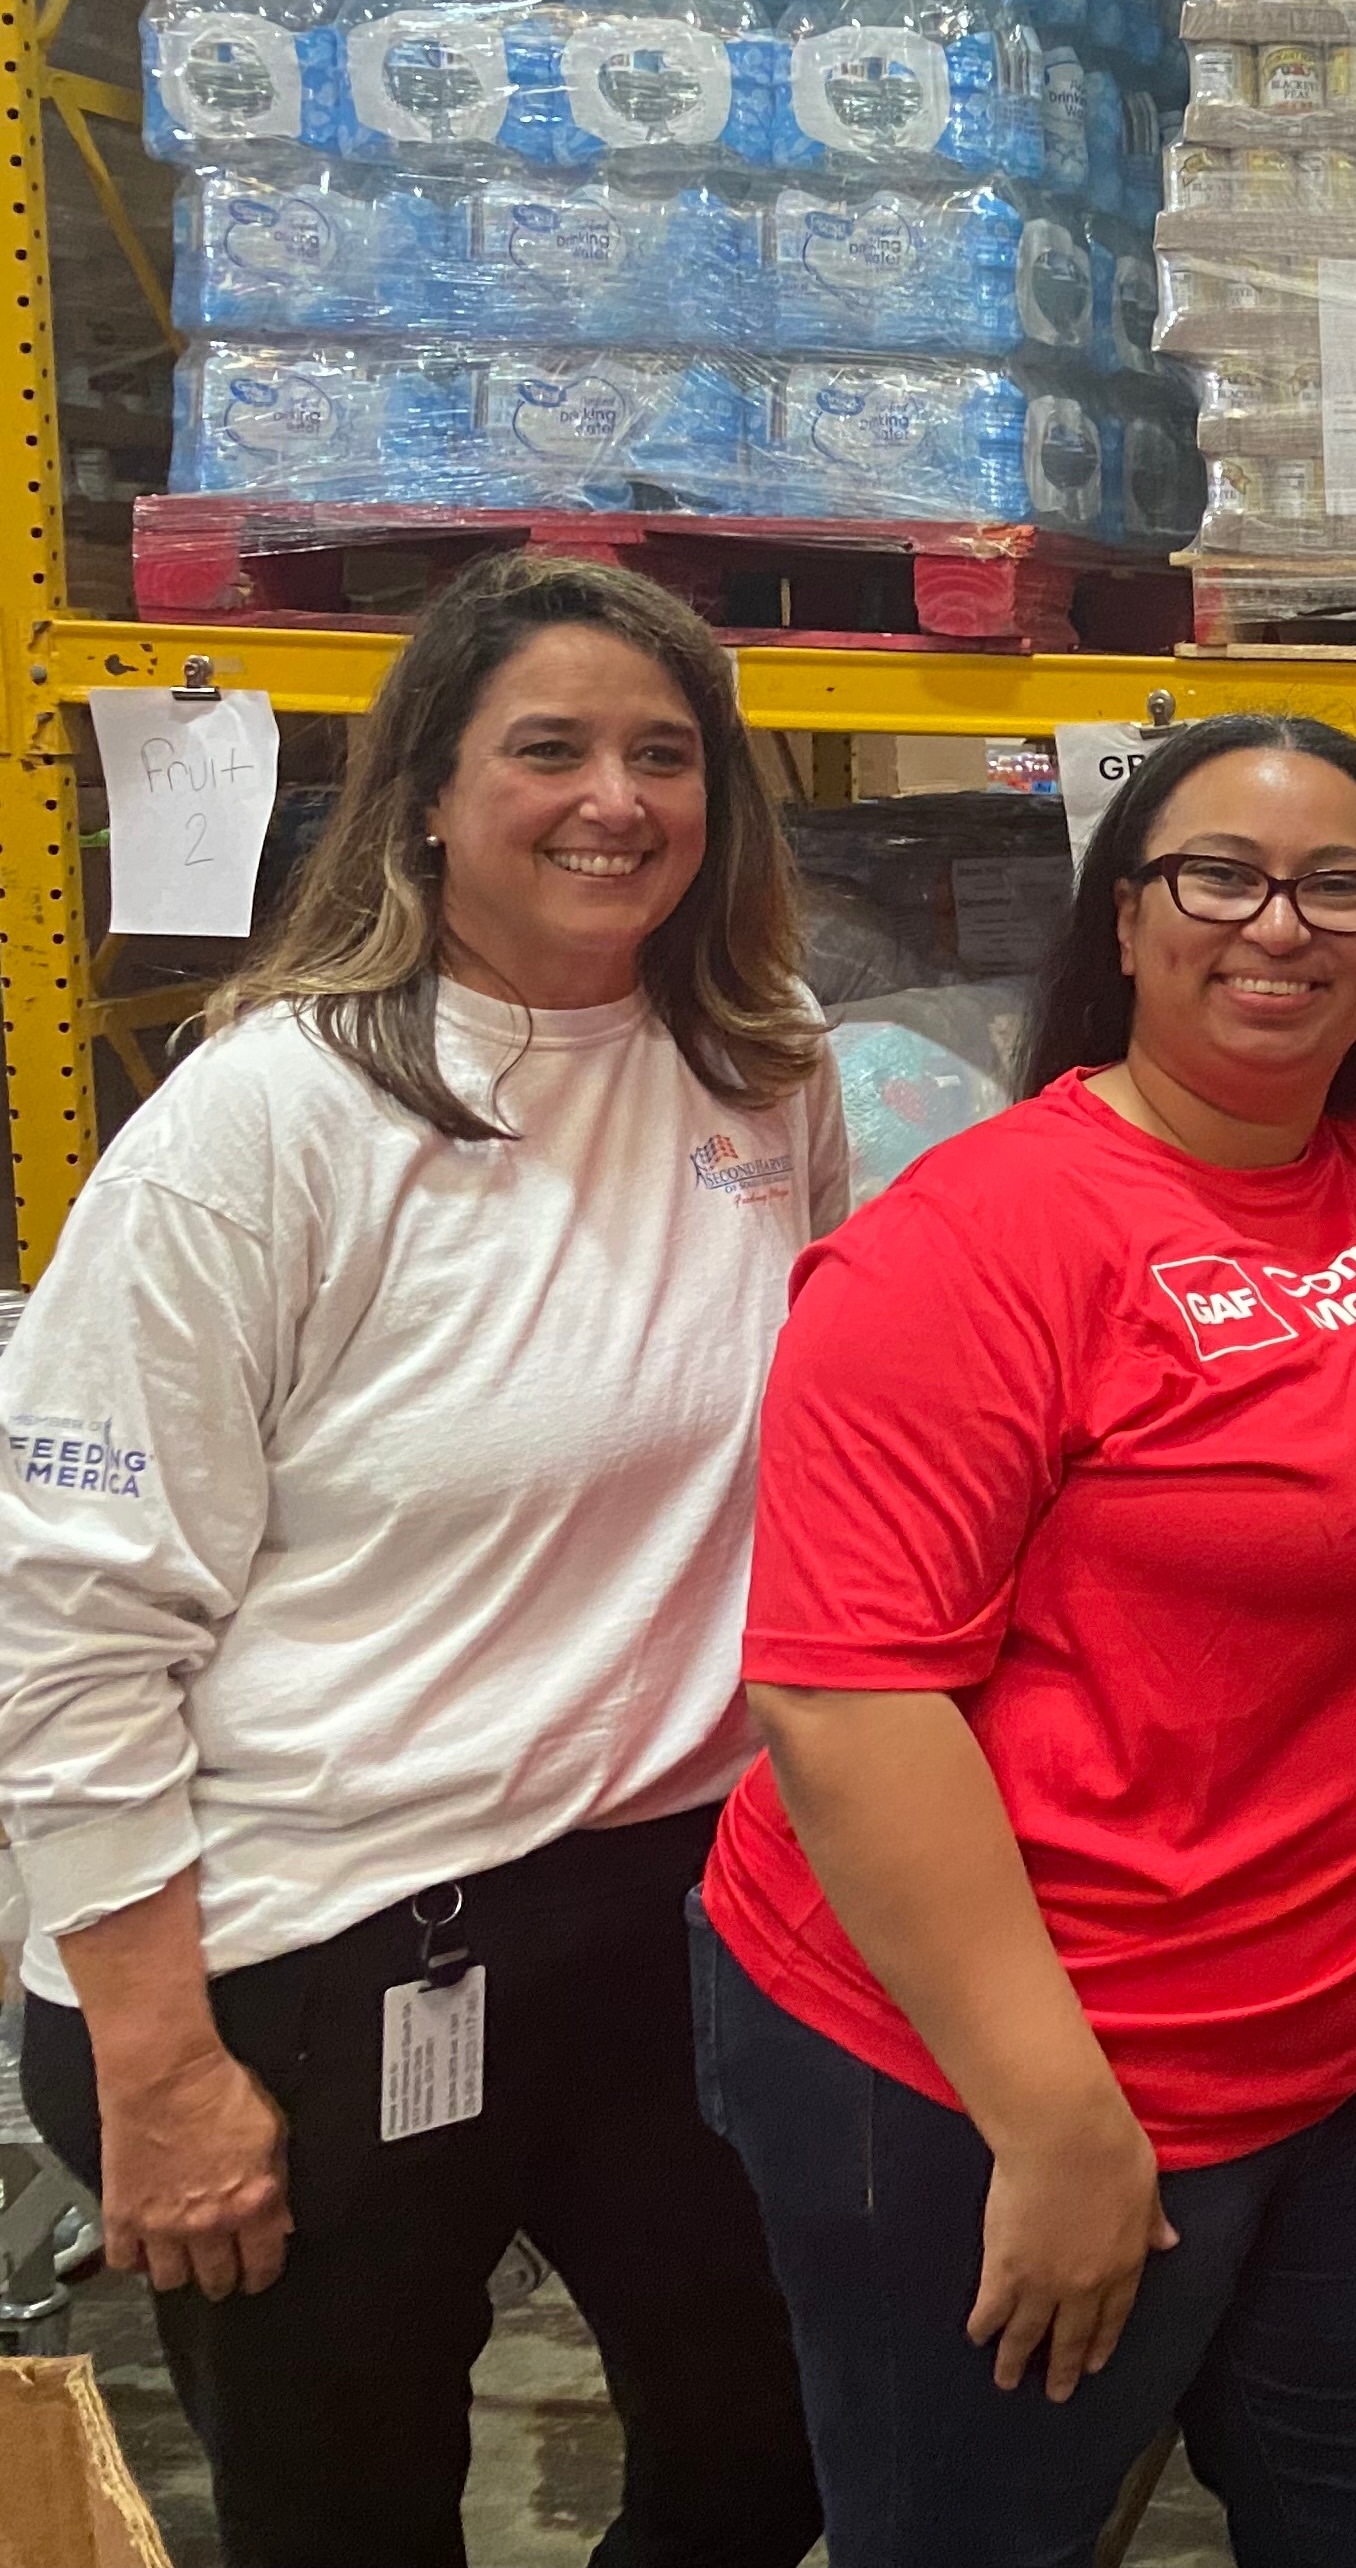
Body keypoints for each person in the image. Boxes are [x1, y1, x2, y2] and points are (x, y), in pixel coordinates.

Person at [691, 713, 1356, 2568]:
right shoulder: (974, 1240)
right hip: (996, 2057)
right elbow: (844, 1694)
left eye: (1339, 882)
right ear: (1121, 921)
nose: (1280, 925)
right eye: (1220, 873)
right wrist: (1054, 2127)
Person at [0, 557, 836, 2568]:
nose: (612, 801)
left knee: (773, 2443)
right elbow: (73, 1610)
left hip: (661, 1895)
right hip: (304, 1934)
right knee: (350, 2517)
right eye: (545, 749)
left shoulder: (762, 1067)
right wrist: (158, 2062)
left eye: (664, 754)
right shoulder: (269, 1117)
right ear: (430, 796)